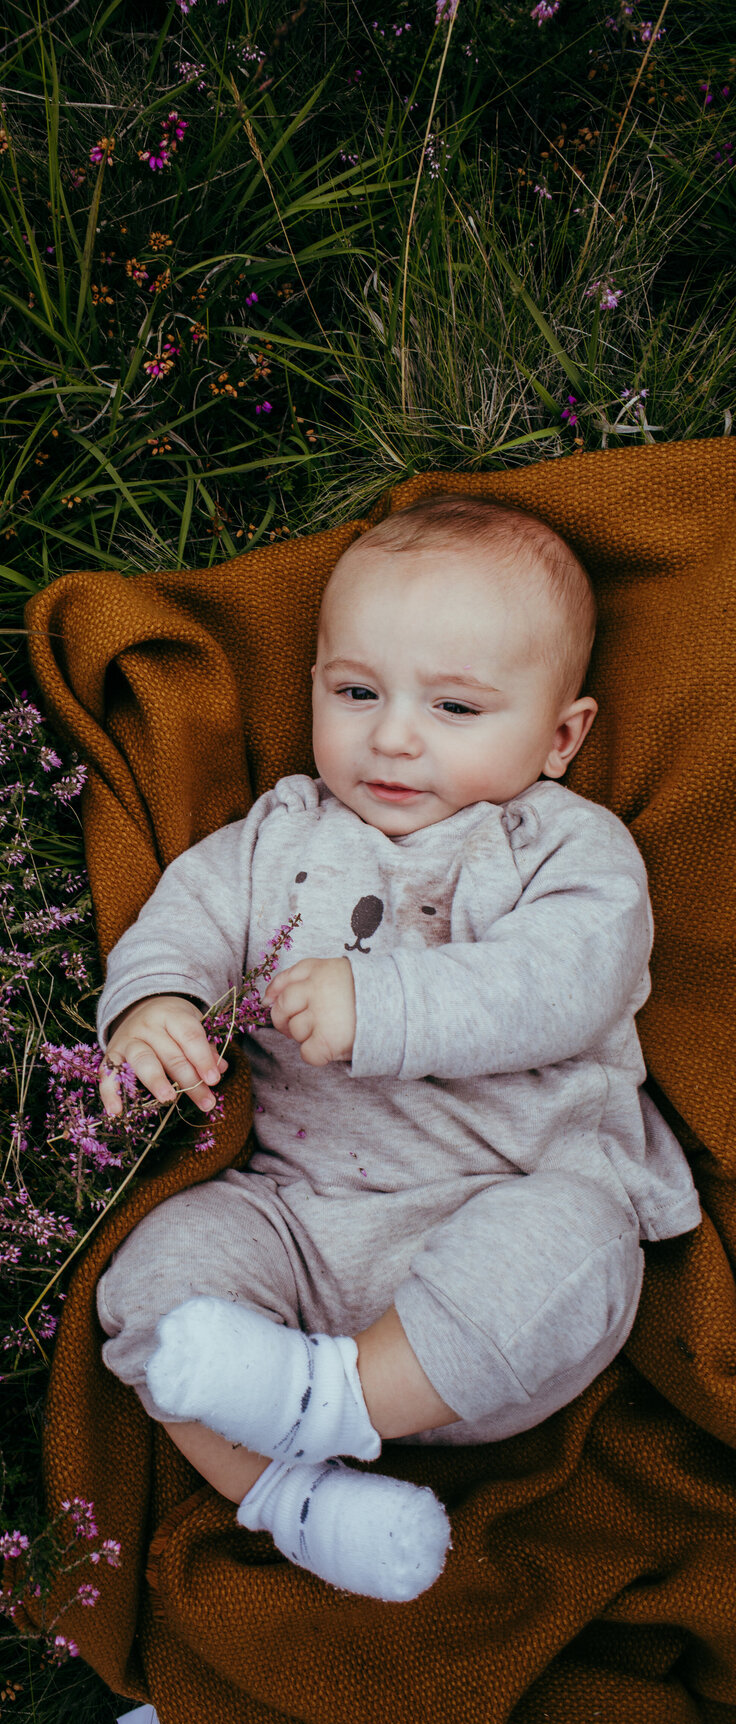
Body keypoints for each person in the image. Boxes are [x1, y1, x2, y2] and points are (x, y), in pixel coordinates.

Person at [92, 493, 701, 1603]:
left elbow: (566, 981)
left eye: (456, 706)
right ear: (316, 682)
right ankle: (298, 1501)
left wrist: (386, 1006)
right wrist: (155, 1007)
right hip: (301, 1226)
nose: (393, 737)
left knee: (580, 1244)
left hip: (498, 1229)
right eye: (357, 692)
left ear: (562, 737)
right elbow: (181, 920)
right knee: (155, 1286)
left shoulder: (566, 848)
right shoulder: (280, 833)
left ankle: (333, 1410)